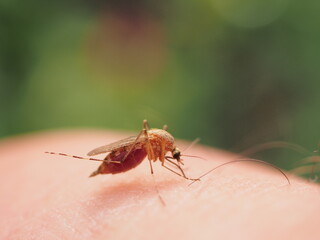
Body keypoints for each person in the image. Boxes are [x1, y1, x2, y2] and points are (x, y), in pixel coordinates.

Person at [1, 130, 319, 240]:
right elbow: (160, 155)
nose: (175, 159)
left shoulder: (166, 146)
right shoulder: (159, 145)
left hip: (144, 145)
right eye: (175, 156)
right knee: (145, 143)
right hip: (131, 151)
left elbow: (167, 156)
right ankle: (100, 166)